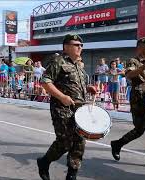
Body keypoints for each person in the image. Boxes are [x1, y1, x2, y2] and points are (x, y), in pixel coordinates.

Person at [37, 34, 97, 180]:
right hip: (62, 108)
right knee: (65, 142)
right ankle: (44, 162)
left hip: (79, 109)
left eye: (81, 45)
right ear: (66, 46)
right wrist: (62, 97)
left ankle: (72, 175)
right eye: (77, 44)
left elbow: (76, 84)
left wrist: (89, 88)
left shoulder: (78, 65)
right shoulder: (58, 61)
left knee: (79, 142)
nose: (80, 47)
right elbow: (45, 82)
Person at [110, 37, 145, 168]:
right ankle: (117, 144)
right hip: (138, 100)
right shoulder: (133, 61)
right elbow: (130, 75)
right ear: (141, 47)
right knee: (139, 130)